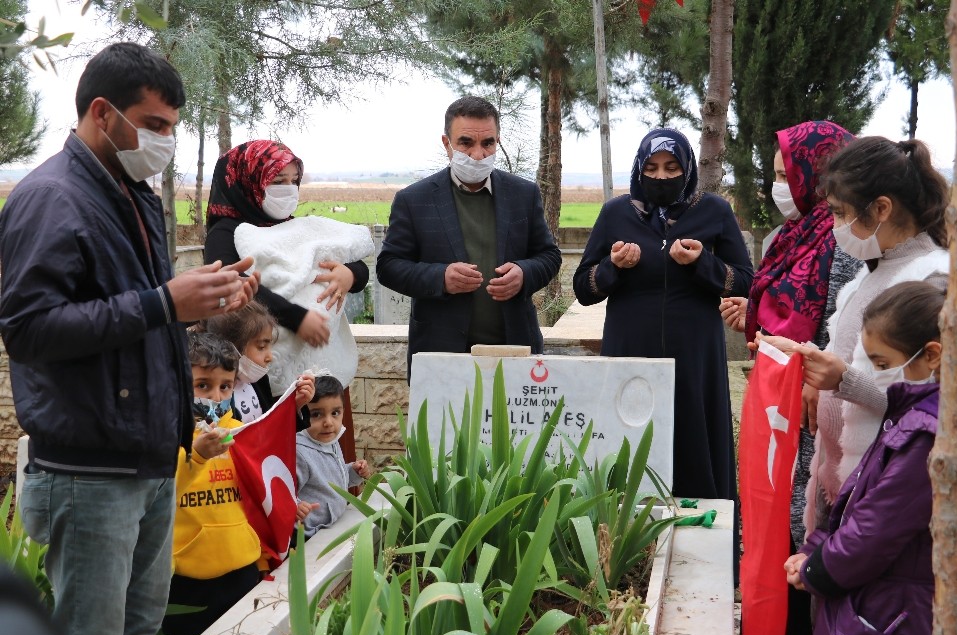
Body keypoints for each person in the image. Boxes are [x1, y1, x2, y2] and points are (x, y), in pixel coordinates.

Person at [0, 43, 257, 635]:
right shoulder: (52, 198)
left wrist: (212, 297)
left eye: (173, 127)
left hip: (148, 461)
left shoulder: (132, 192)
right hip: (89, 473)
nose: (165, 141)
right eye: (155, 126)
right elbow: (28, 330)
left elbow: (145, 309)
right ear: (101, 113)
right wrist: (166, 303)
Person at [784, 281, 957, 635]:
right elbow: (867, 500)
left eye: (882, 364)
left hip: (894, 618)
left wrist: (818, 567)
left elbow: (876, 526)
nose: (879, 375)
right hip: (911, 603)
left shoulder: (933, 435)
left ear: (932, 354)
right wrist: (819, 545)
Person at [758, 136, 951, 539]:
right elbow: (848, 354)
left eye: (840, 213)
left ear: (881, 208)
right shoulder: (872, 271)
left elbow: (939, 405)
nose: (834, 227)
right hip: (845, 484)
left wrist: (843, 380)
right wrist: (807, 356)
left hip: (888, 495)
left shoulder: (932, 282)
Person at [720, 121, 860, 635]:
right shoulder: (787, 237)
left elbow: (843, 323)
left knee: (807, 524)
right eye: (777, 176)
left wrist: (812, 376)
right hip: (774, 398)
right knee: (771, 521)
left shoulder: (844, 239)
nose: (781, 186)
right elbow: (776, 314)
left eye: (788, 175)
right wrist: (748, 318)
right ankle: (770, 634)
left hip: (817, 406)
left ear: (820, 174)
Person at [572, 128, 753, 502]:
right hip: (629, 350)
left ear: (687, 168)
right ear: (640, 168)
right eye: (652, 167)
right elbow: (582, 289)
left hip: (694, 354)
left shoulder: (713, 210)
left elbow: (745, 282)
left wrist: (702, 262)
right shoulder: (615, 213)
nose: (661, 176)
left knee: (693, 435)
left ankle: (699, 529)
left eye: (672, 167)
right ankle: (625, 537)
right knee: (627, 438)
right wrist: (613, 267)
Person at [203, 139, 368, 462]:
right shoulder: (226, 232)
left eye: (294, 181)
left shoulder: (296, 229)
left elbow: (349, 260)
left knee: (331, 460)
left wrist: (350, 274)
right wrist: (297, 317)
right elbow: (235, 283)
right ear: (249, 181)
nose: (288, 190)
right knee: (286, 464)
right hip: (266, 376)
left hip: (323, 370)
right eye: (278, 182)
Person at [375, 95, 562, 378]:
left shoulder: (523, 194)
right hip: (441, 355)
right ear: (446, 143)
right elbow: (388, 267)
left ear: (497, 140)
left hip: (514, 353)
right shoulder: (413, 200)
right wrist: (441, 278)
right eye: (466, 143)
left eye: (488, 143)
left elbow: (549, 256)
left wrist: (524, 273)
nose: (478, 154)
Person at [163, 330, 315, 635]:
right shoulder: (165, 436)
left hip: (243, 569)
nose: (216, 397)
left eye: (225, 386)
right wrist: (198, 455)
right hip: (187, 580)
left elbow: (268, 475)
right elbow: (159, 490)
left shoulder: (243, 434)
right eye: (203, 385)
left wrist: (292, 407)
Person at [295, 375, 372, 539]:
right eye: (317, 414)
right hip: (309, 535)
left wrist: (353, 471)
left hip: (329, 527)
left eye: (335, 413)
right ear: (303, 415)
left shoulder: (329, 440)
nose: (328, 422)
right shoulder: (300, 452)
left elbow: (333, 477)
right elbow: (283, 490)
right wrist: (294, 506)